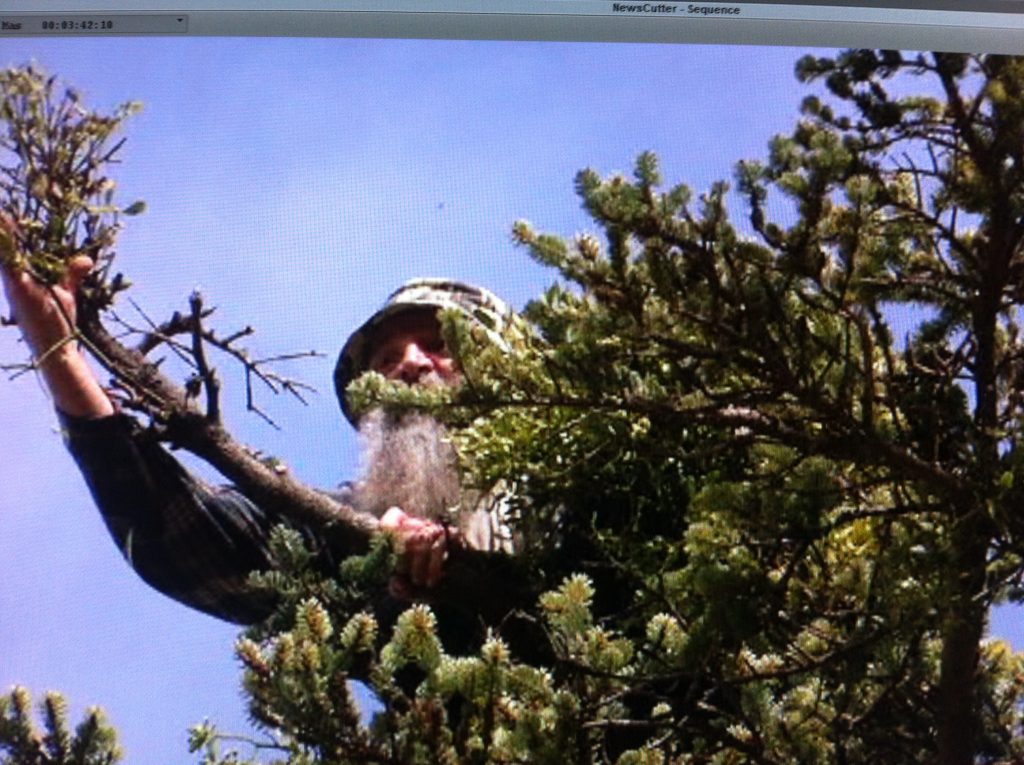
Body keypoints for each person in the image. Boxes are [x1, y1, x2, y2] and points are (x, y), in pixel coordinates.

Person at [1, 219, 516, 623]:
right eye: (384, 361)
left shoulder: (581, 460)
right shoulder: (356, 535)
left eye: (439, 344)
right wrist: (58, 351)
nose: (410, 364)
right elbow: (180, 537)